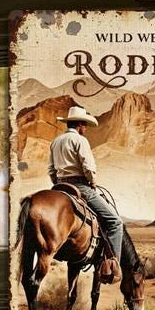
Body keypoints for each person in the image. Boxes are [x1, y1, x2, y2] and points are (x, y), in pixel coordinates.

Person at [47, 104, 124, 266]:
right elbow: (88, 166)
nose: (86, 128)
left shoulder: (55, 142)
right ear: (79, 125)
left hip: (59, 187)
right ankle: (113, 265)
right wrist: (92, 182)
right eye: (85, 125)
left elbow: (51, 170)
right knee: (115, 222)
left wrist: (58, 183)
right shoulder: (80, 140)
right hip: (80, 186)